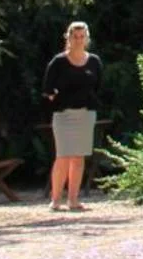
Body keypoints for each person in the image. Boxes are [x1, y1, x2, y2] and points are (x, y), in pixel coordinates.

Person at [42, 21, 102, 212]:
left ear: (87, 38)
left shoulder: (94, 61)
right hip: (63, 116)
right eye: (75, 36)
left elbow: (98, 86)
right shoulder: (58, 62)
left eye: (82, 36)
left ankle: (73, 200)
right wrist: (60, 100)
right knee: (63, 156)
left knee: (78, 157)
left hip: (86, 114)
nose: (78, 40)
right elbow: (47, 89)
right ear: (68, 38)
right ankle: (55, 200)